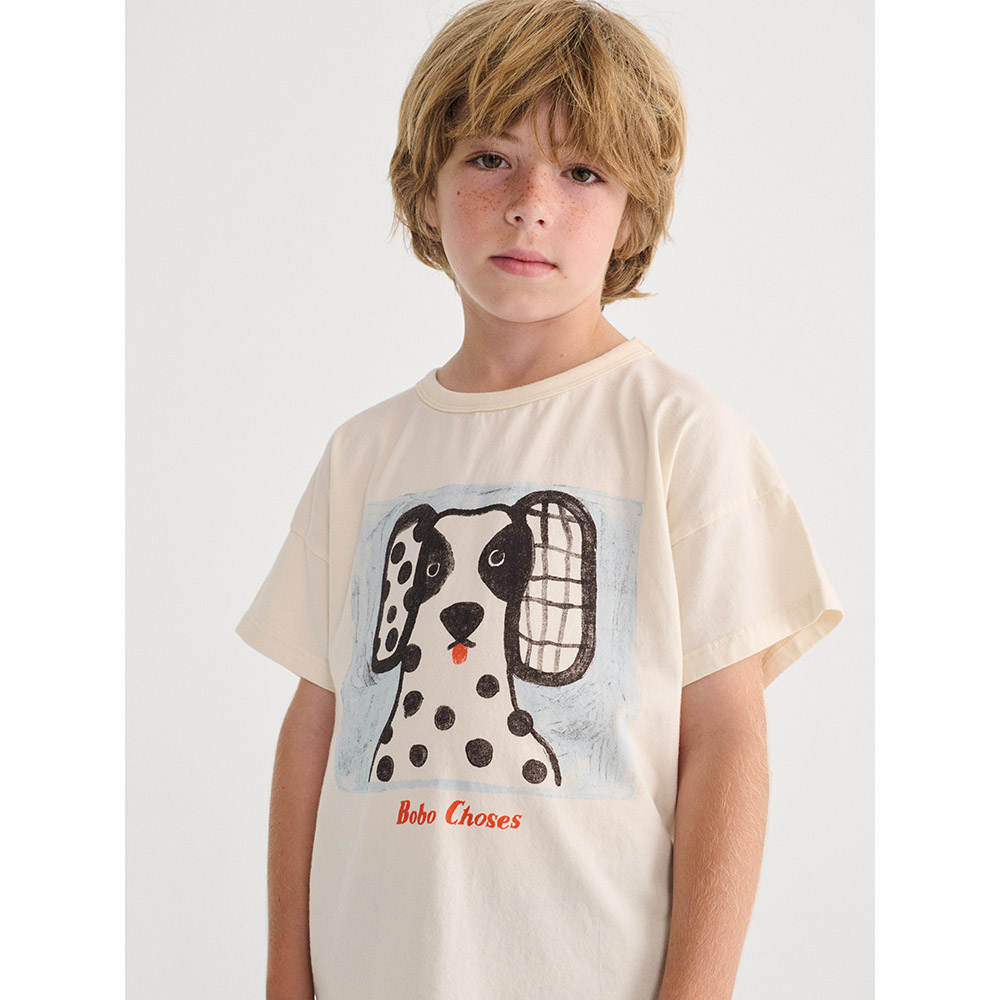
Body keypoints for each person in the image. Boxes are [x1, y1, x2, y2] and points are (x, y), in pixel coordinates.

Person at [236, 1, 843, 998]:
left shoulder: (680, 434)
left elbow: (727, 741)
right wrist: (283, 977)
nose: (530, 203)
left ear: (634, 212)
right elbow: (317, 722)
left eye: (582, 172)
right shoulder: (364, 453)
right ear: (424, 186)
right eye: (490, 159)